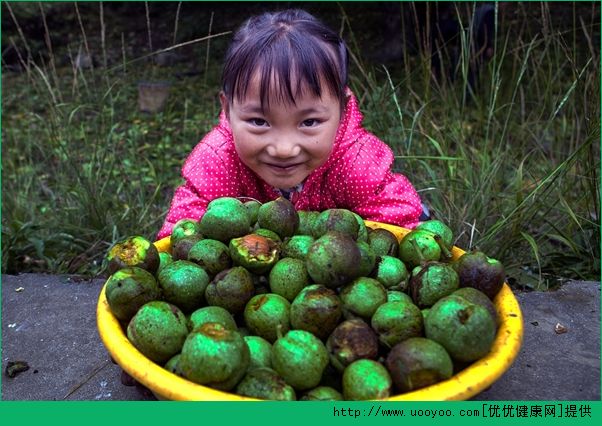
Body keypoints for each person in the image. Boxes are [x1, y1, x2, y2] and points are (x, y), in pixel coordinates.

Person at [157, 9, 423, 239]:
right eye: (259, 121)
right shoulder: (218, 162)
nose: (284, 148)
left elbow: (399, 231)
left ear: (342, 111)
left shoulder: (356, 162)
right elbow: (183, 236)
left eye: (309, 121)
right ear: (227, 109)